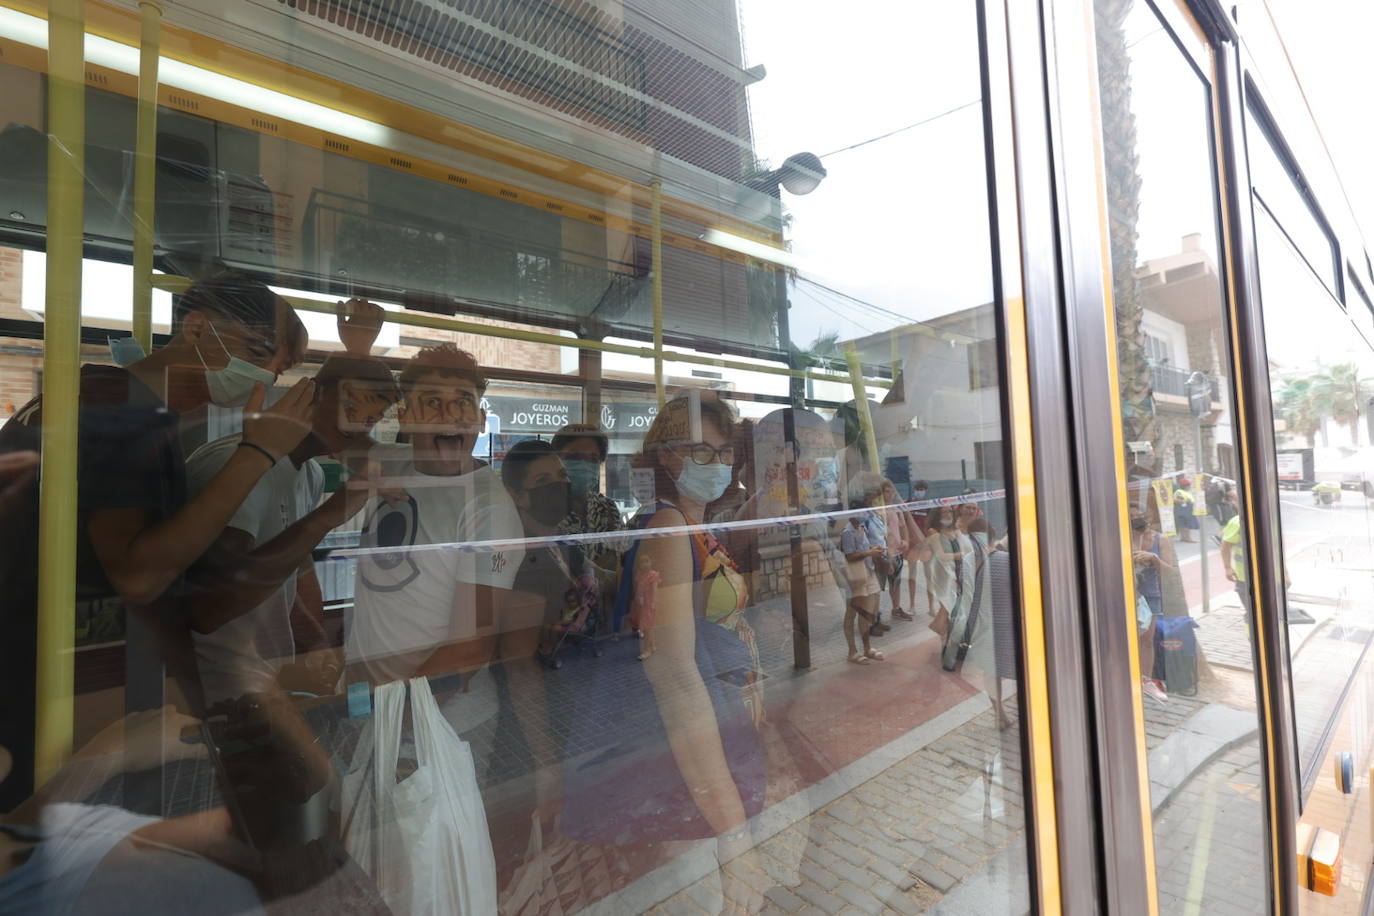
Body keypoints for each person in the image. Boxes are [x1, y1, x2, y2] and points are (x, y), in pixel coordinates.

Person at [0, 269, 312, 808]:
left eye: (275, 368)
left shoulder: (94, 396)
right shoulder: (120, 412)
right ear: (196, 329)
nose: (262, 376)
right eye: (258, 352)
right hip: (62, 689)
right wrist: (258, 454)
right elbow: (138, 574)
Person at [562, 390, 766, 914]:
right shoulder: (670, 529)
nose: (716, 465)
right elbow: (675, 678)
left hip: (713, 738)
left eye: (723, 454)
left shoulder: (695, 526)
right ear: (666, 457)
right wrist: (733, 832)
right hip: (682, 766)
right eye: (700, 451)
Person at [184, 349, 401, 707]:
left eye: (373, 417)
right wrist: (331, 514)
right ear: (313, 393)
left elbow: (289, 567)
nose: (360, 425)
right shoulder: (237, 465)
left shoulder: (310, 473)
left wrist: (313, 641)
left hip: (265, 679)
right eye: (352, 408)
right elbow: (212, 606)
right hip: (213, 691)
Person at [550, 422, 626, 614]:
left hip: (604, 624)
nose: (584, 465)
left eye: (593, 459)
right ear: (556, 460)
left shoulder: (608, 509)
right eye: (575, 457)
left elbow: (620, 566)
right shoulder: (544, 510)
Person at [1131, 507, 1175, 703]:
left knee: (1146, 639)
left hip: (1151, 594)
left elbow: (1170, 571)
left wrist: (1154, 559)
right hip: (1129, 594)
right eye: (1131, 517)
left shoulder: (1160, 540)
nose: (1136, 519)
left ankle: (1146, 680)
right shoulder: (1123, 536)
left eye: (1140, 516)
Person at [840, 505, 884, 663]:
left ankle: (867, 648)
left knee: (867, 612)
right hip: (856, 576)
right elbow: (850, 555)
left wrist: (873, 550)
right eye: (862, 512)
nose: (864, 515)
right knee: (852, 612)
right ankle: (852, 651)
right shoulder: (847, 532)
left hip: (869, 571)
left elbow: (863, 549)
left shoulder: (861, 527)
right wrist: (869, 553)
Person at [879, 478, 919, 621]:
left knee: (896, 582)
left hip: (898, 552)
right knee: (881, 584)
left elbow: (903, 527)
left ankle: (896, 608)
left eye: (891, 491)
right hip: (884, 553)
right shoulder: (878, 510)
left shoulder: (896, 508)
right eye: (886, 491)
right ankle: (876, 614)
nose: (889, 494)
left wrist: (906, 541)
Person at [1173, 478, 1198, 543]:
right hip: (1183, 510)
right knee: (1186, 524)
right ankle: (1187, 538)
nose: (1189, 487)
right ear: (1185, 486)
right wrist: (1184, 501)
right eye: (1188, 485)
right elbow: (1175, 500)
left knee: (1184, 524)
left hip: (1187, 509)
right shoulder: (1179, 492)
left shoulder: (1185, 492)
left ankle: (1183, 537)